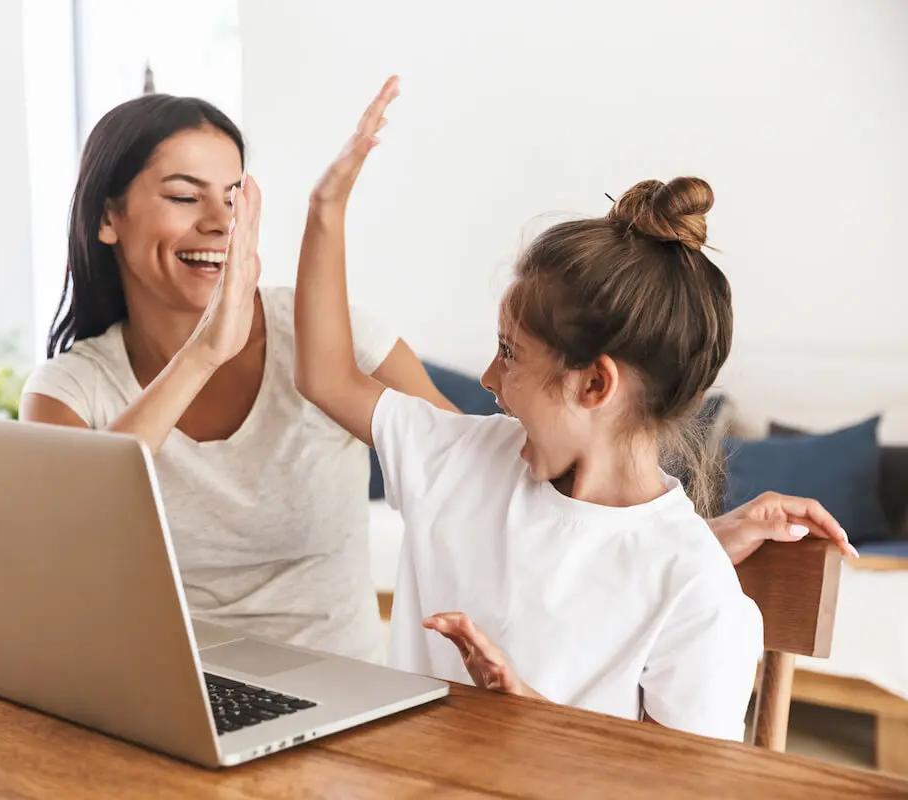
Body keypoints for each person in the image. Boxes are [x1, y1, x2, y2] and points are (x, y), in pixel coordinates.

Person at [20, 91, 856, 668]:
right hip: (168, 697)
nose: (218, 221)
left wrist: (682, 548)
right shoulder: (71, 388)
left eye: (236, 195)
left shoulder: (360, 368)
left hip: (340, 696)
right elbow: (64, 546)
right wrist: (209, 347)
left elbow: (507, 502)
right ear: (107, 216)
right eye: (182, 194)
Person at [291, 76, 848, 741]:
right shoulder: (462, 461)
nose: (491, 379)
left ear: (594, 385)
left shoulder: (693, 588)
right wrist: (325, 209)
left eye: (510, 353)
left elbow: (679, 789)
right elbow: (326, 375)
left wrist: (534, 721)